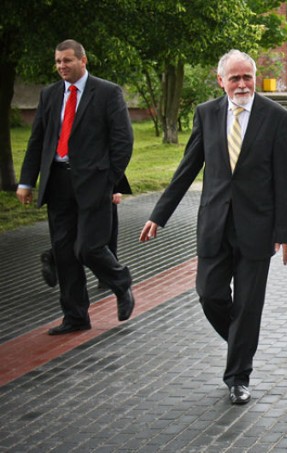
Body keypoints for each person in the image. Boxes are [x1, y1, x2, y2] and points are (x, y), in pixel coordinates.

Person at [139, 50, 287, 405]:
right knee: (209, 294)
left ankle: (238, 376)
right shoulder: (206, 114)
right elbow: (187, 168)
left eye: (248, 77)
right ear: (220, 80)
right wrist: (158, 215)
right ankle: (241, 343)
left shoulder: (276, 117)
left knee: (248, 305)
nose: (242, 84)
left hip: (258, 228)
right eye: (235, 78)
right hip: (214, 225)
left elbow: (284, 179)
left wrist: (286, 232)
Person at [17, 39, 135, 335]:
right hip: (57, 181)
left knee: (89, 248)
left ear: (83, 61)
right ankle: (75, 317)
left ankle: (121, 283)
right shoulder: (50, 95)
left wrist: (110, 179)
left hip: (95, 183)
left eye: (67, 61)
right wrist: (26, 181)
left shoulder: (107, 92)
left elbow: (123, 141)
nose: (61, 67)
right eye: (57, 62)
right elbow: (37, 141)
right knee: (65, 252)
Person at [41, 176, 132, 289]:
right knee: (103, 231)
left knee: (80, 229)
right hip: (94, 183)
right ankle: (110, 277)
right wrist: (115, 187)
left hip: (73, 184)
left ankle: (53, 256)